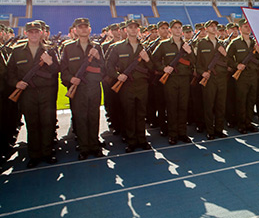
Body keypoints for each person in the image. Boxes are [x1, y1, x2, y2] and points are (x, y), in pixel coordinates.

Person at [7, 21, 60, 168]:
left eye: (37, 32)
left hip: (46, 92)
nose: (34, 34)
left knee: (48, 123)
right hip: (28, 93)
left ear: (42, 33)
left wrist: (50, 63)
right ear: (26, 33)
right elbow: (10, 72)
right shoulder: (17, 51)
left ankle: (47, 153)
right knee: (32, 124)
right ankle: (35, 155)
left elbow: (58, 70)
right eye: (31, 32)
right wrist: (16, 83)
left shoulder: (50, 50)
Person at [60, 18, 104, 160]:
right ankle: (84, 147)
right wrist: (71, 79)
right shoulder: (68, 47)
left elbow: (105, 69)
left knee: (93, 117)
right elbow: (63, 69)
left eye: (86, 27)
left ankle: (94, 145)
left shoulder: (97, 47)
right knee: (80, 118)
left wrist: (98, 57)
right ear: (75, 30)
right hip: (78, 89)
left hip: (94, 88)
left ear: (90, 29)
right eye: (80, 27)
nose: (83, 29)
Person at [106, 19, 152, 152]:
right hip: (126, 86)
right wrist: (117, 76)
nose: (133, 29)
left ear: (138, 30)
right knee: (129, 114)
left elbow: (152, 67)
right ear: (125, 30)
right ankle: (132, 141)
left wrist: (147, 59)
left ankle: (142, 139)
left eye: (135, 27)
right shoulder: (118, 47)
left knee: (141, 113)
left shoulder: (144, 47)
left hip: (142, 85)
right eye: (130, 27)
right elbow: (108, 66)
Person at [151, 20, 195, 144]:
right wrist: (163, 68)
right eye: (175, 27)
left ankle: (182, 133)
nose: (177, 30)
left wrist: (190, 52)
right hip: (170, 80)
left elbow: (194, 61)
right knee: (171, 107)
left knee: (182, 107)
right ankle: (173, 134)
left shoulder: (186, 45)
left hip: (184, 79)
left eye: (179, 27)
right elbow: (154, 59)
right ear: (171, 30)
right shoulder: (164, 45)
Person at [196, 20, 228, 140]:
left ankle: (219, 129)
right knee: (208, 105)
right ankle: (210, 130)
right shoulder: (201, 44)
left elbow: (228, 62)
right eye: (211, 26)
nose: (214, 28)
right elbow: (197, 63)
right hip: (208, 79)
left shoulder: (222, 44)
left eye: (215, 26)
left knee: (220, 105)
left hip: (221, 78)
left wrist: (224, 54)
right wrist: (202, 73)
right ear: (206, 28)